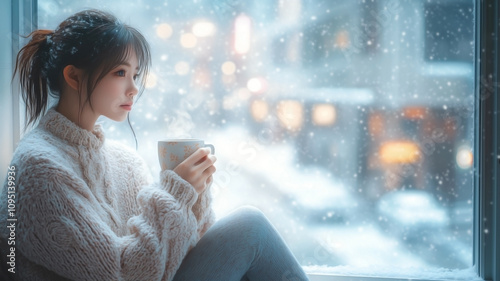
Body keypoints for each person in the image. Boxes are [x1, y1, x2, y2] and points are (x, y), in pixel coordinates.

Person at [0, 9, 309, 281]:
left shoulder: (124, 161)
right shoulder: (38, 168)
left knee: (248, 233)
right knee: (249, 227)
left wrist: (193, 196)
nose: (134, 89)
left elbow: (176, 256)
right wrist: (175, 194)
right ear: (74, 76)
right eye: (120, 73)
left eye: (135, 74)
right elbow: (123, 274)